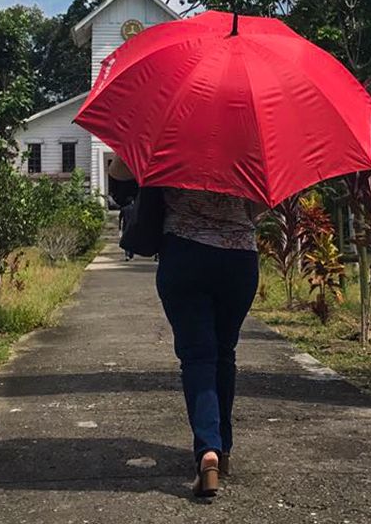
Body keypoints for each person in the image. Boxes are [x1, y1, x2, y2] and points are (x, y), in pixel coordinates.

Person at [154, 185, 267, 498]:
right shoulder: (252, 143)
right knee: (223, 352)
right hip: (239, 258)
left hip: (184, 253)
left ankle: (208, 450)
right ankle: (222, 449)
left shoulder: (171, 136)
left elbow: (122, 172)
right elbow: (260, 204)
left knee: (197, 356)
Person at [107, 156, 138, 259]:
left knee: (126, 240)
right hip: (132, 227)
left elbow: (120, 218)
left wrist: (119, 228)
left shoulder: (124, 209)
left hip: (126, 227)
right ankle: (131, 253)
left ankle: (127, 254)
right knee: (132, 239)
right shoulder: (134, 208)